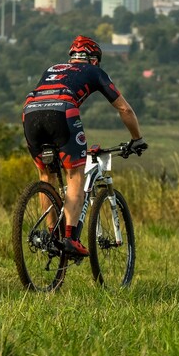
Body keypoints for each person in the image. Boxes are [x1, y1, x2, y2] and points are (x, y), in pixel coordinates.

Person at [22, 35, 147, 257]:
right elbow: (125, 110)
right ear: (95, 60)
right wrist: (136, 138)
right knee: (75, 174)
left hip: (30, 111)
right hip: (62, 111)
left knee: (46, 175)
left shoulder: (52, 68)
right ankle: (69, 238)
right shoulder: (94, 71)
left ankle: (52, 236)